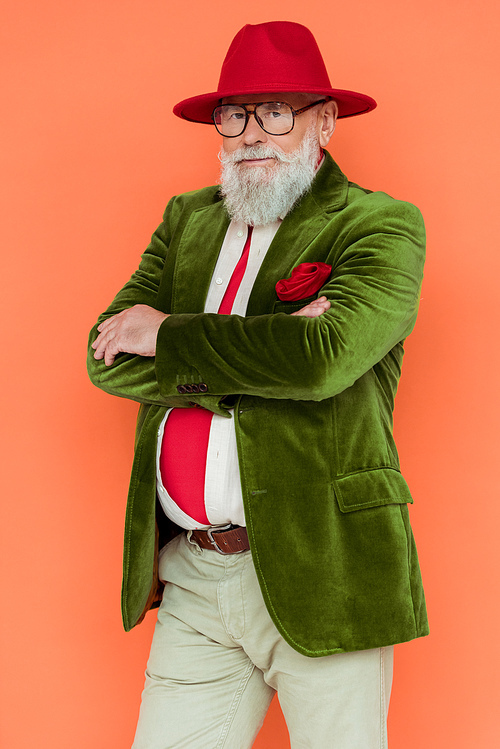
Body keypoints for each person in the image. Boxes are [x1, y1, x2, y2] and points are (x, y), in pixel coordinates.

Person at [88, 20, 428, 749]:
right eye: (235, 113)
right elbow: (105, 354)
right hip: (195, 576)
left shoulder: (380, 224)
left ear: (325, 122)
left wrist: (170, 334)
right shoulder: (187, 219)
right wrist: (277, 340)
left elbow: (324, 359)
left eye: (277, 112)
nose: (252, 134)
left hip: (326, 568)